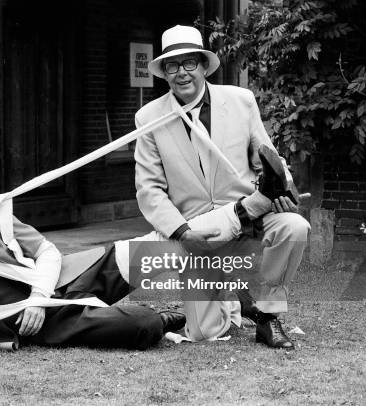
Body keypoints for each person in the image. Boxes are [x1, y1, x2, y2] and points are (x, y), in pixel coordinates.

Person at [133, 25, 310, 349]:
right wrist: (182, 231)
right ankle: (236, 297)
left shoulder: (241, 101)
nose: (182, 73)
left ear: (203, 66)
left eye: (189, 63)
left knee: (294, 227)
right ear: (164, 73)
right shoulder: (149, 118)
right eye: (172, 65)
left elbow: (267, 159)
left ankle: (268, 317)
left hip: (249, 218)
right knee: (205, 332)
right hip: (201, 234)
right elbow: (149, 189)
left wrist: (284, 189)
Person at [0, 168, 186, 352]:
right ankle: (160, 318)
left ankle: (233, 226)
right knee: (142, 325)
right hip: (29, 323)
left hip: (57, 283)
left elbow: (47, 252)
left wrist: (39, 299)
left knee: (160, 249)